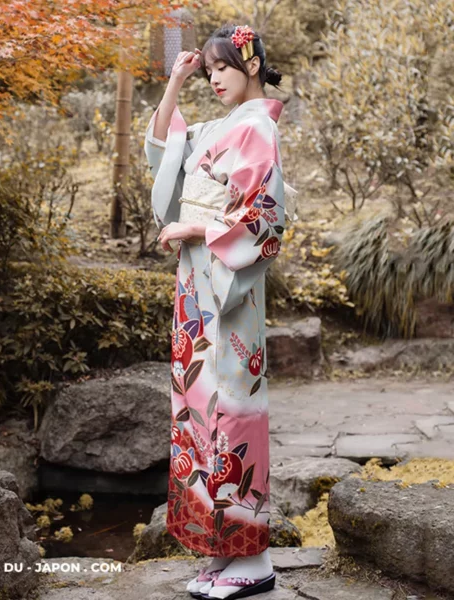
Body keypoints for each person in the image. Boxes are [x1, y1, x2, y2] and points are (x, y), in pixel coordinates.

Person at [143, 23, 290, 600]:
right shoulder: (218, 127)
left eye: (221, 68)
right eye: (208, 70)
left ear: (250, 64)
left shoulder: (258, 129)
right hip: (196, 287)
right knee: (198, 413)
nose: (214, 78)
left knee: (232, 415)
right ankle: (218, 550)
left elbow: (265, 220)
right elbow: (164, 151)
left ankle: (252, 558)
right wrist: (176, 83)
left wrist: (195, 226)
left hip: (228, 289)